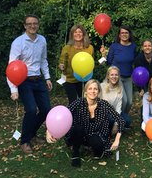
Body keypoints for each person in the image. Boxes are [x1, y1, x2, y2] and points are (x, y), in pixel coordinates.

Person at [46, 79, 124, 167]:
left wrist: (117, 140)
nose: (93, 91)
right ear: (86, 91)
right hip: (80, 133)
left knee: (98, 148)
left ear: (98, 91)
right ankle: (76, 153)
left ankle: (95, 149)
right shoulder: (79, 102)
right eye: (90, 89)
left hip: (96, 135)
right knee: (77, 127)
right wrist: (49, 130)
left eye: (95, 89)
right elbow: (62, 114)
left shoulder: (104, 104)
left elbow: (120, 119)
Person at [7, 14, 52, 154]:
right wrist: (13, 89)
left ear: (38, 25)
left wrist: (48, 78)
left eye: (35, 23)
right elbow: (12, 67)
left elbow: (43, 60)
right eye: (30, 24)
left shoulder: (42, 40)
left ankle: (32, 134)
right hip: (24, 81)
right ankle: (25, 141)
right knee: (31, 110)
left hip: (39, 80)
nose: (33, 26)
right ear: (25, 26)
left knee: (46, 110)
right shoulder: (18, 42)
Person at [100, 25, 137, 118]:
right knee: (123, 100)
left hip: (128, 77)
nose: (124, 34)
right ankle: (119, 120)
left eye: (126, 33)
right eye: (122, 33)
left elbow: (135, 61)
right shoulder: (114, 46)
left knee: (129, 102)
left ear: (129, 34)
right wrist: (103, 54)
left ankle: (123, 118)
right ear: (119, 35)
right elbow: (109, 62)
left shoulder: (133, 46)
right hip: (116, 78)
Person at [59, 24, 94, 104]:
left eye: (80, 32)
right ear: (72, 34)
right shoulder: (67, 48)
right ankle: (73, 116)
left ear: (83, 34)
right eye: (75, 32)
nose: (78, 34)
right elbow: (61, 62)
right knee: (73, 102)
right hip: (69, 79)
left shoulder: (89, 48)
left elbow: (91, 62)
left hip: (85, 78)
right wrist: (61, 66)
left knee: (86, 102)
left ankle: (85, 116)